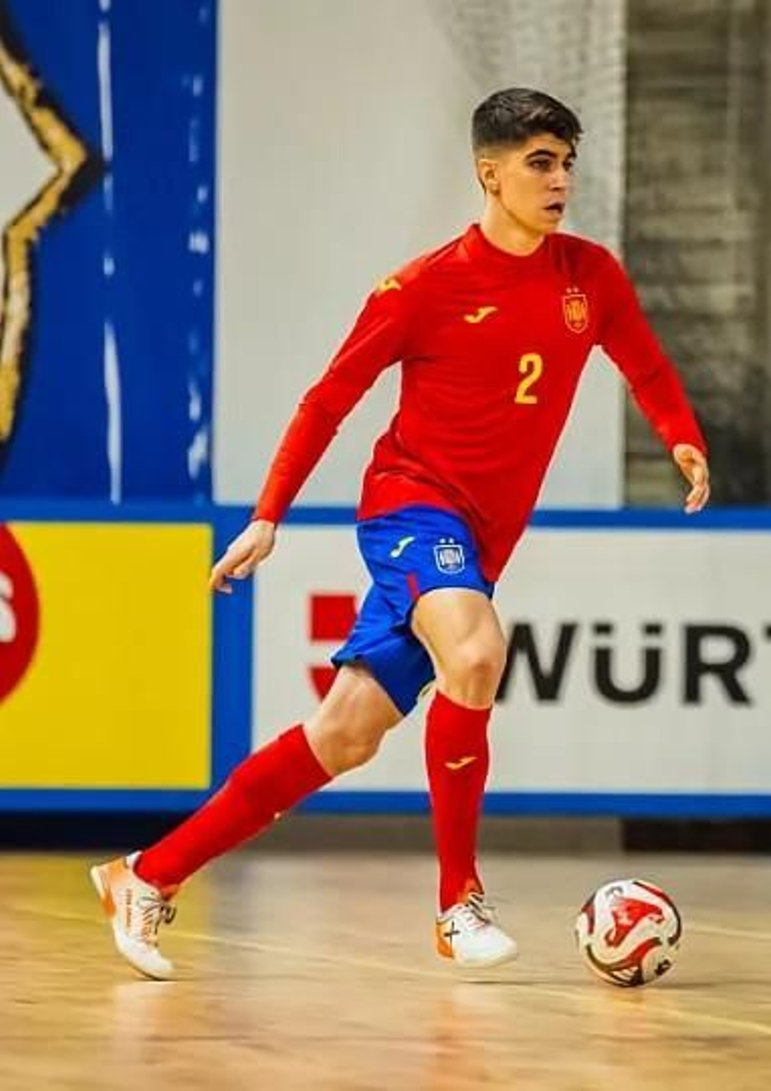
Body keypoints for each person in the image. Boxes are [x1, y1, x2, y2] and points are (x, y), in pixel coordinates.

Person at [91, 88, 710, 979]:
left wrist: (681, 435)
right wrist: (269, 513)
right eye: (540, 162)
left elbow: (643, 360)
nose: (559, 179)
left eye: (567, 162)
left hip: (481, 541)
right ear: (488, 173)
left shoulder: (591, 277)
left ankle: (145, 875)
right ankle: (458, 901)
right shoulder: (423, 287)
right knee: (476, 650)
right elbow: (328, 398)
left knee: (343, 735)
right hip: (412, 507)